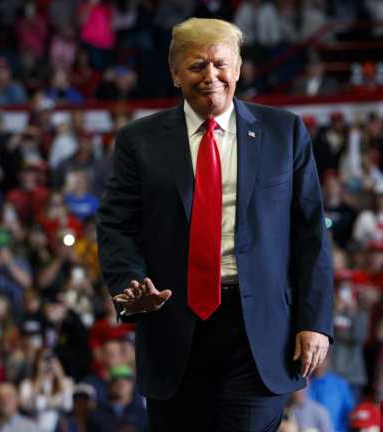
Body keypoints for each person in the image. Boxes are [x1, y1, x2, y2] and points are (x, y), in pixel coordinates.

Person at [96, 17, 334, 431]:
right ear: (174, 73)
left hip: (258, 334)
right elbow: (116, 226)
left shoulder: (285, 132)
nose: (211, 76)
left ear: (239, 68)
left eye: (221, 64)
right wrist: (129, 284)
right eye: (196, 66)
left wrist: (314, 321)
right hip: (173, 330)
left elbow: (311, 233)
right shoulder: (139, 141)